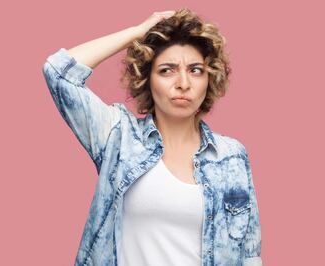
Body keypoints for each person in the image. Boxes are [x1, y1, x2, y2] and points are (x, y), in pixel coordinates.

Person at [42, 7, 262, 266]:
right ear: (147, 79)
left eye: (195, 70)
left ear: (209, 79)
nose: (183, 82)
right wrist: (136, 33)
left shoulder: (232, 156)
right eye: (167, 70)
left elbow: (250, 256)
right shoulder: (119, 136)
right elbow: (58, 72)